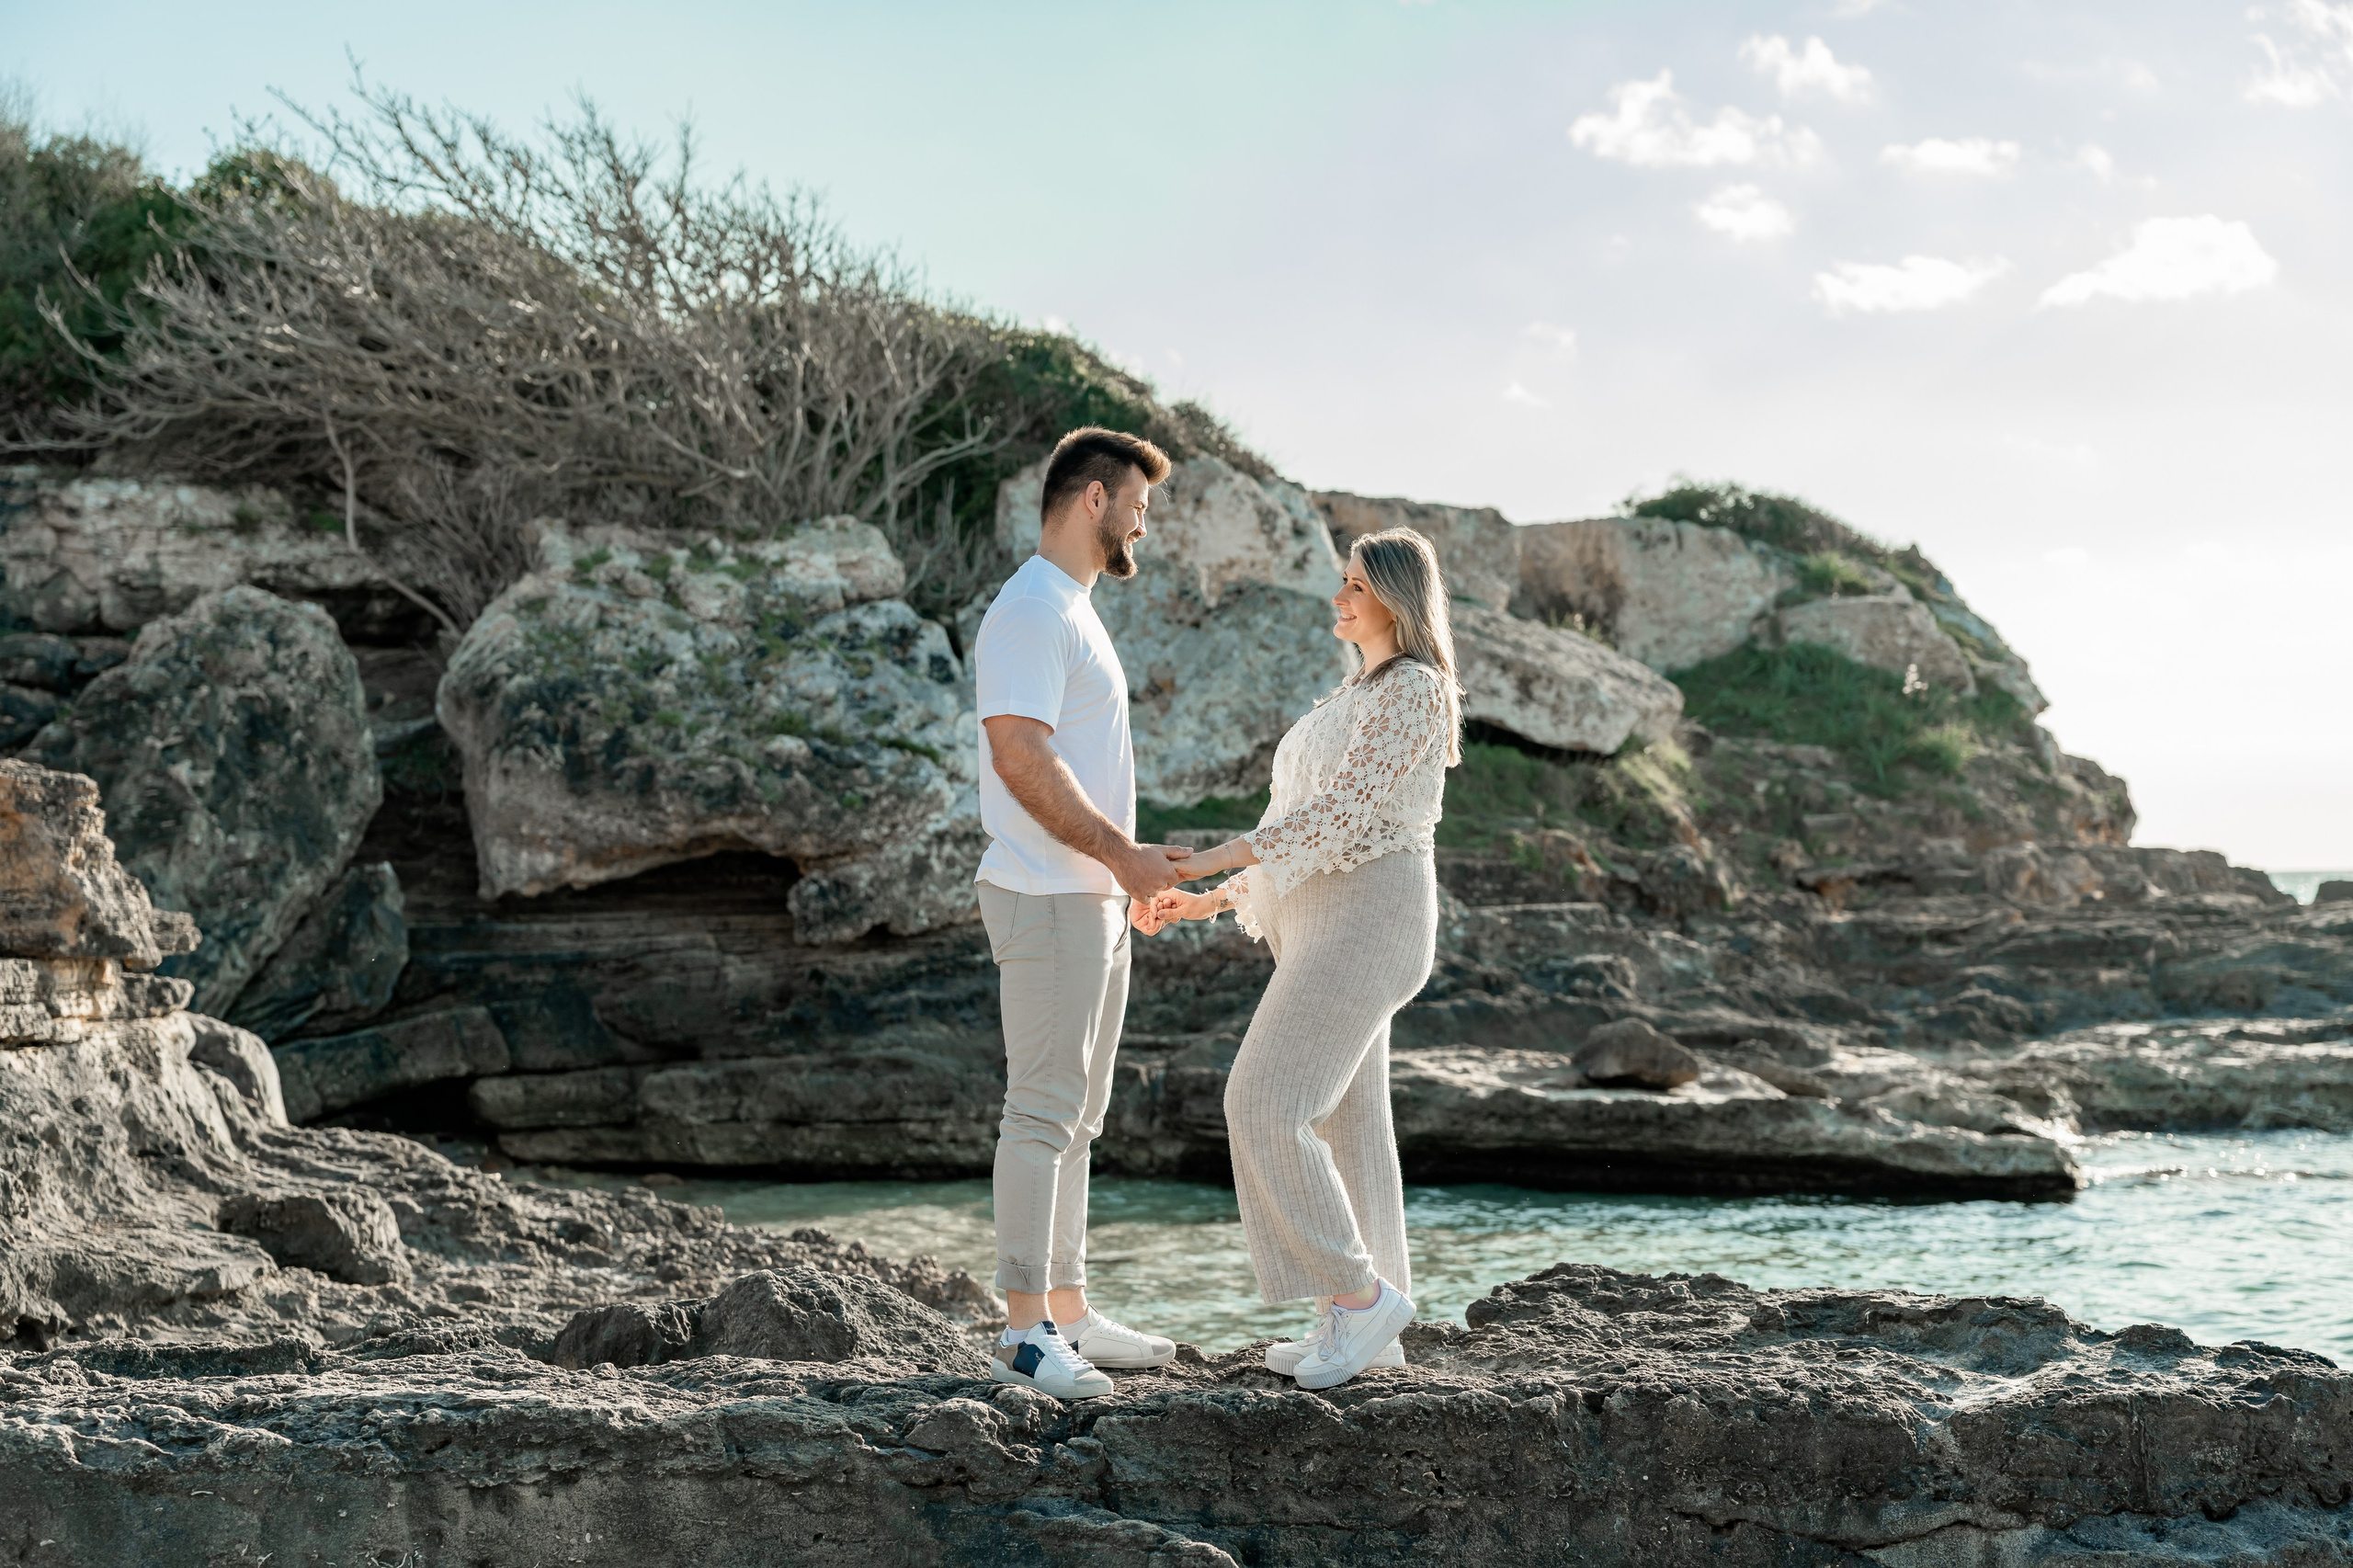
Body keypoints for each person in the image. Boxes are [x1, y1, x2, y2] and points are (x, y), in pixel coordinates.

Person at [1144, 527, 1460, 1392]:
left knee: (1263, 1100)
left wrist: (1210, 858)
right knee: (1350, 1131)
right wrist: (1208, 900)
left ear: (1394, 597)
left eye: (1355, 583)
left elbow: (1347, 819)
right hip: (1320, 924)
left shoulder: (1416, 689)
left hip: (1372, 921)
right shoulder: (1350, 696)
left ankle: (1358, 1301)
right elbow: (1304, 832)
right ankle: (1366, 1329)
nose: (1340, 596)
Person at [972, 426, 1196, 1400]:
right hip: (1046, 894)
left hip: (1090, 899)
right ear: (1094, 498)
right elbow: (1021, 754)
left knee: (1080, 1117)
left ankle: (1065, 1308)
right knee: (1041, 1112)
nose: (1146, 520)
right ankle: (1024, 1334)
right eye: (1138, 501)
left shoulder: (1071, 607)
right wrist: (1120, 858)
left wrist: (1131, 876)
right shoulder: (1029, 609)